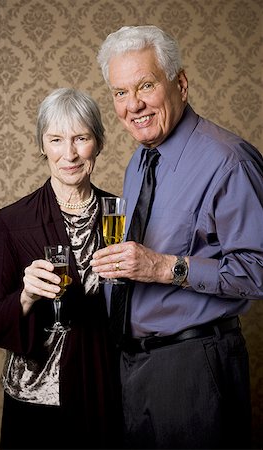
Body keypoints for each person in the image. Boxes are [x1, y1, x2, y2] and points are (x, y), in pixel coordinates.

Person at [91, 25, 263, 449]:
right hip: (133, 365)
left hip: (194, 367)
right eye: (119, 92)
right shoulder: (139, 162)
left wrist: (165, 267)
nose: (133, 105)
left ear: (180, 84)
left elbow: (260, 271)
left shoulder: (229, 160)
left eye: (146, 85)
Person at [0, 88, 122, 450]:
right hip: (36, 401)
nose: (69, 154)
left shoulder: (120, 214)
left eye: (81, 138)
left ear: (99, 143)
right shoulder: (10, 222)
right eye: (56, 140)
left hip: (106, 390)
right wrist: (25, 296)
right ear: (42, 146)